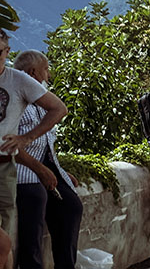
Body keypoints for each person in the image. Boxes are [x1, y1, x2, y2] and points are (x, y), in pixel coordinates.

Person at [0, 33, 67, 268]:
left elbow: (59, 109)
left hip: (6, 167)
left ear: (7, 53)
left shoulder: (17, 82)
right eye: (45, 70)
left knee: (4, 242)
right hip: (20, 173)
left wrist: (26, 139)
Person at [12, 51, 82, 269]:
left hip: (43, 167)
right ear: (33, 73)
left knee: (71, 206)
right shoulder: (15, 100)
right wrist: (40, 169)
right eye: (45, 70)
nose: (48, 76)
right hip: (21, 169)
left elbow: (45, 143)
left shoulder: (39, 102)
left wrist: (57, 169)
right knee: (34, 198)